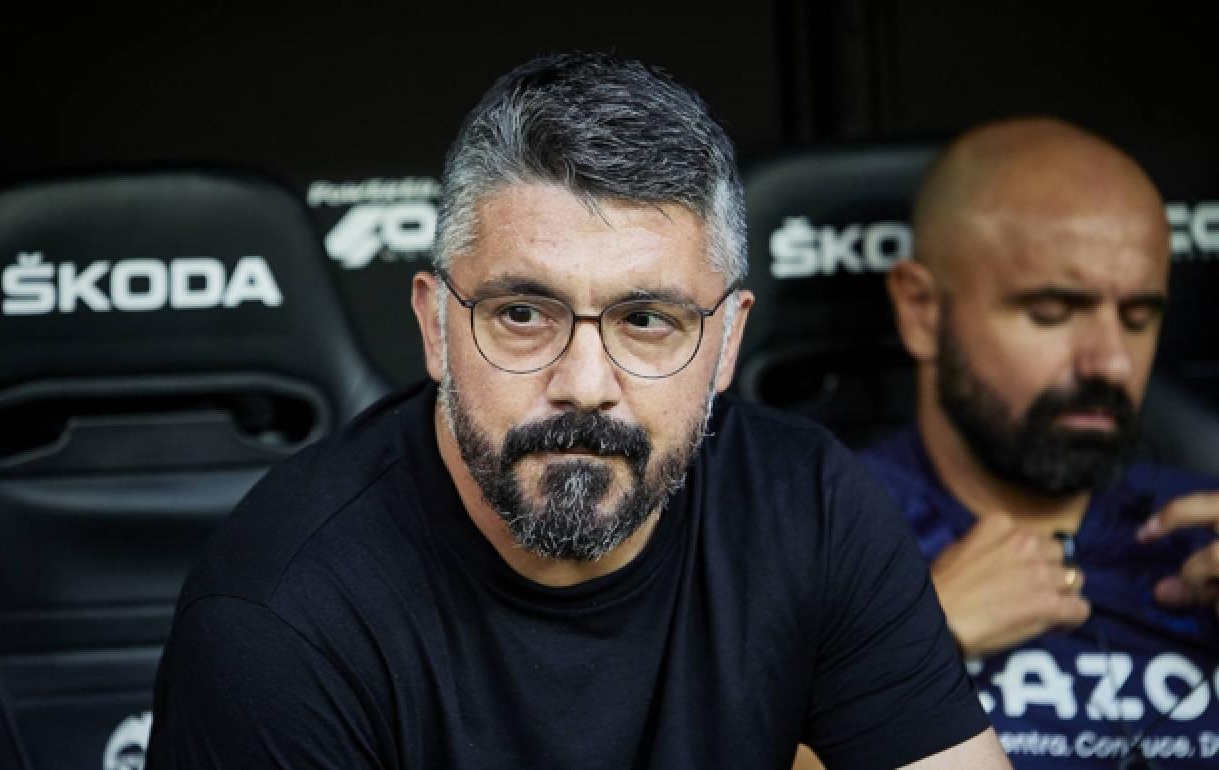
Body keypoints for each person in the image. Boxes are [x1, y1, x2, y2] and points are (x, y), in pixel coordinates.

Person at [145, 53, 1008, 769]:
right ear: (436, 327)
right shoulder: (281, 614)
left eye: (648, 321)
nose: (586, 383)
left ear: (726, 345)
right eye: (523, 314)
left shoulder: (808, 506)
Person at [864, 116, 1219, 768]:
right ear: (921, 311)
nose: (1110, 362)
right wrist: (923, 640)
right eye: (1052, 312)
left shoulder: (1204, 531)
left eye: (1138, 318)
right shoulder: (815, 535)